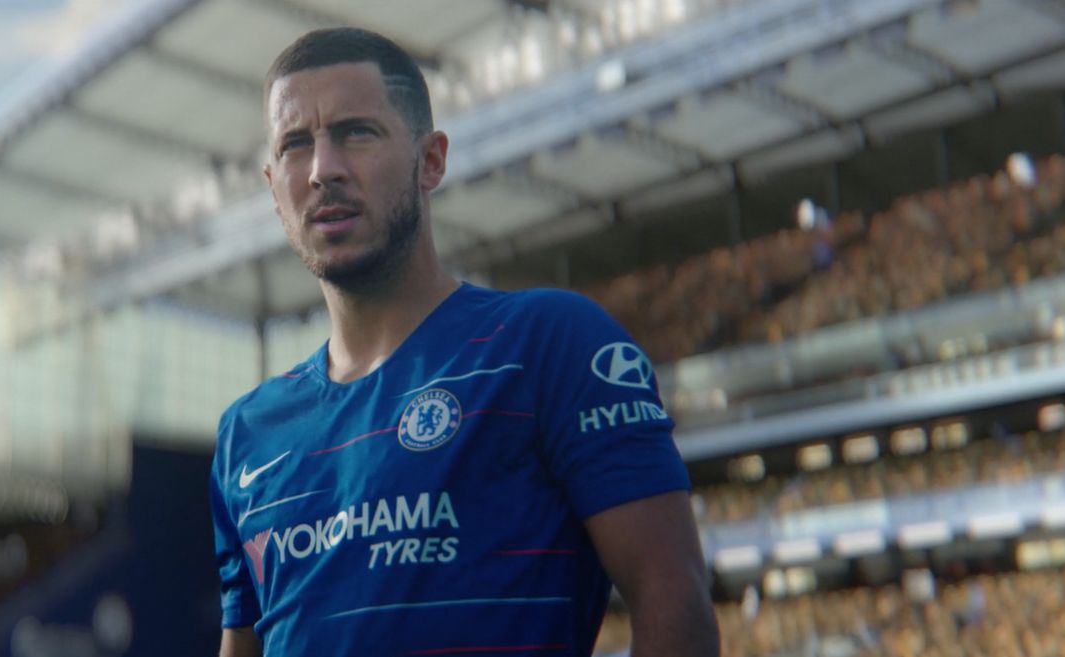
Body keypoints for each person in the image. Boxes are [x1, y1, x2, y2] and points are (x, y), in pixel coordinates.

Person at [208, 27, 720, 657]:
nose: (322, 170)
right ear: (272, 187)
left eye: (355, 133)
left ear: (431, 161)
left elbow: (675, 601)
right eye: (295, 145)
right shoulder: (247, 435)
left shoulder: (547, 343)